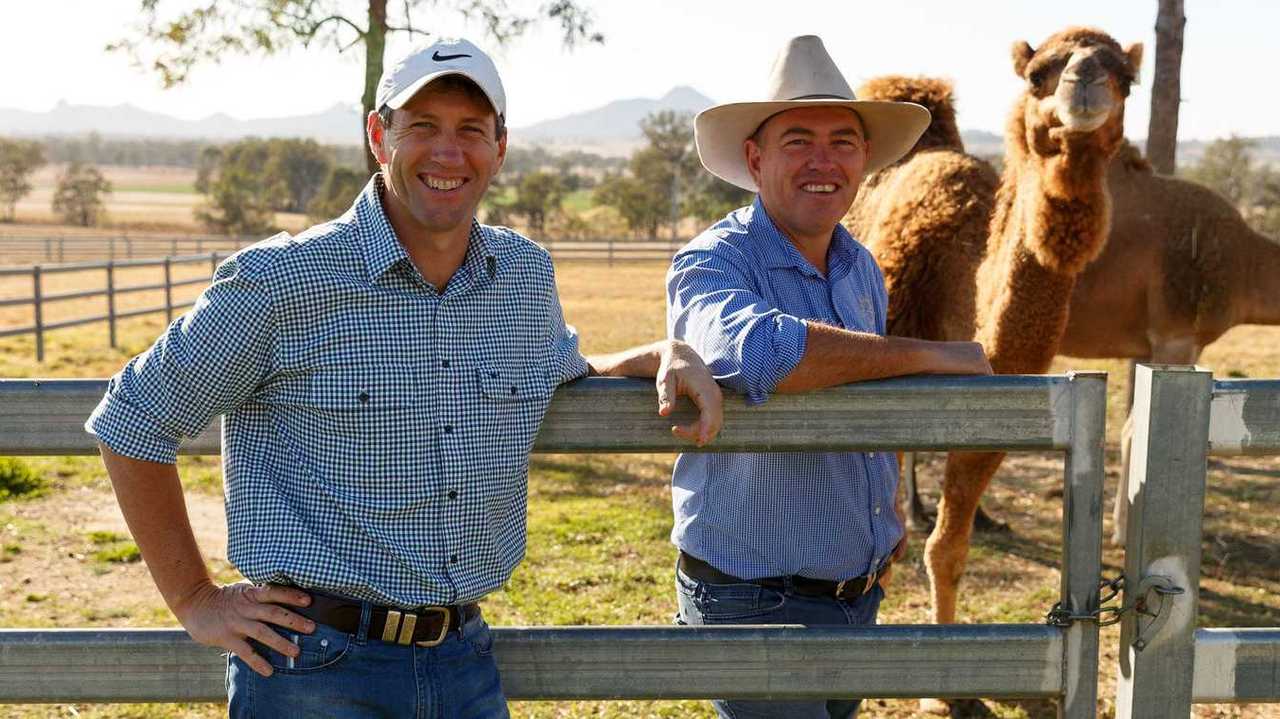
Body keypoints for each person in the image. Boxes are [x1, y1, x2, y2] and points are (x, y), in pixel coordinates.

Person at [86, 37, 722, 718]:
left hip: (465, 660)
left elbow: (556, 368)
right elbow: (135, 417)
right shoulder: (281, 282)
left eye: (471, 130)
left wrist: (659, 352)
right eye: (423, 127)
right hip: (313, 667)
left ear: (500, 147)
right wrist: (195, 599)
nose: (448, 153)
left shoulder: (524, 279)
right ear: (377, 135)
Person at [666, 35, 992, 719]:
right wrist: (932, 352)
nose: (824, 161)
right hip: (752, 595)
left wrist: (884, 505)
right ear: (754, 159)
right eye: (798, 141)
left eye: (843, 141)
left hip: (854, 591)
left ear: (865, 161)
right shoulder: (711, 264)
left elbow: (859, 386)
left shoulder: (860, 269)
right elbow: (760, 353)